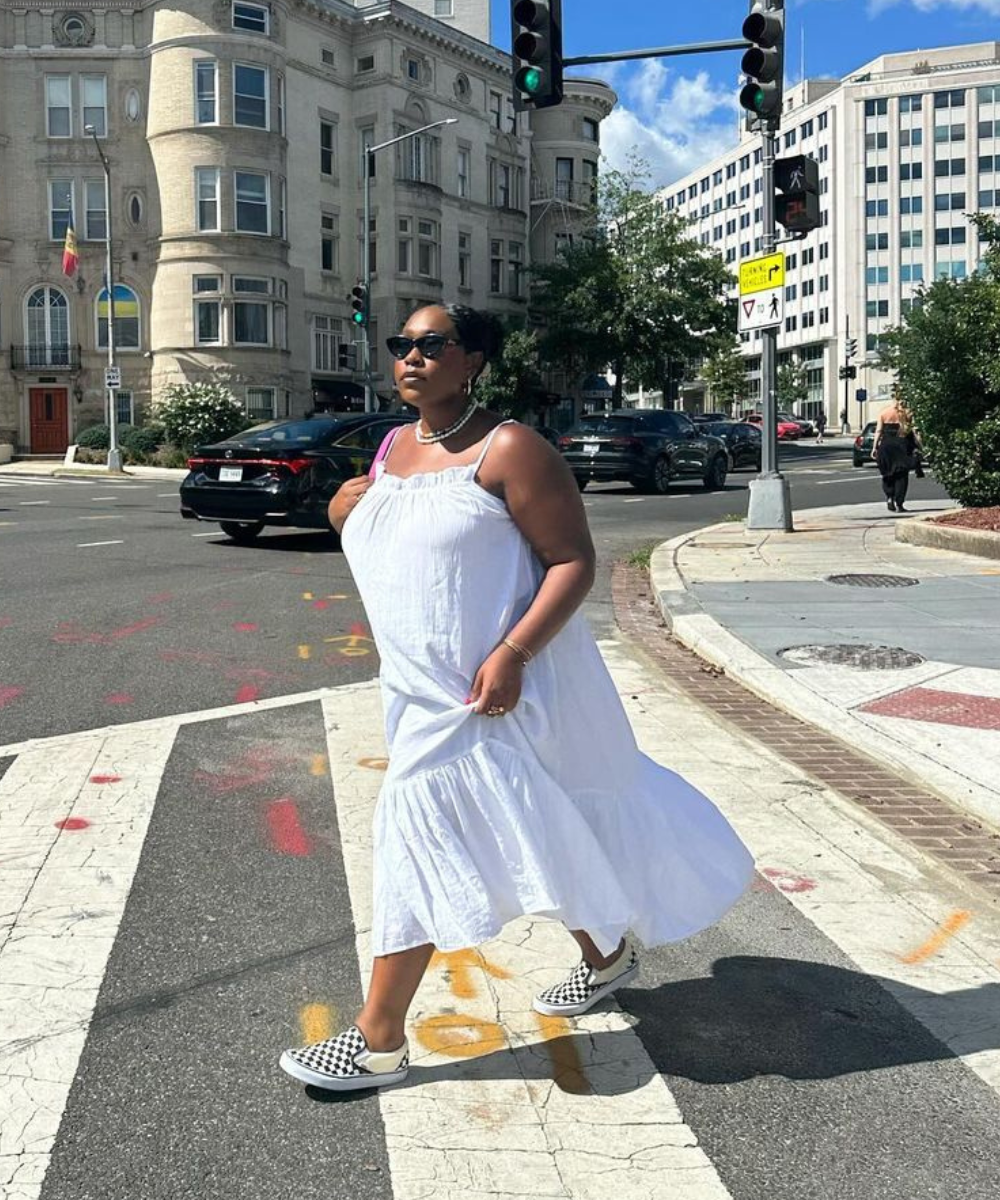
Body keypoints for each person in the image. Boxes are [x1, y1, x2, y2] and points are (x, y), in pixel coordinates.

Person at [278, 303, 754, 1093]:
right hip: (417, 689)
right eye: (402, 345)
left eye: (432, 345)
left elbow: (572, 561)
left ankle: (377, 1039)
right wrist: (341, 512)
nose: (411, 357)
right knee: (534, 823)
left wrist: (512, 653)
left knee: (419, 835)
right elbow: (404, 559)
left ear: (475, 362)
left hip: (491, 692)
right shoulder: (395, 446)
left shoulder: (510, 448)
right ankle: (606, 955)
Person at [872, 385, 916, 513]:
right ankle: (899, 503)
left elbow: (878, 431)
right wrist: (921, 446)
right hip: (902, 445)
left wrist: (875, 447)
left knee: (888, 474)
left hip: (886, 446)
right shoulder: (908, 413)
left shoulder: (883, 412)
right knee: (902, 475)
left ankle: (889, 496)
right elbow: (914, 432)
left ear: (892, 398)